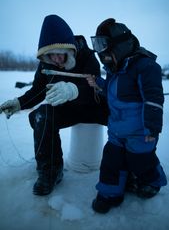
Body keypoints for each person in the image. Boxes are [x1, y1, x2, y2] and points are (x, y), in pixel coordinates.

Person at [0, 14, 109, 196]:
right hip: (68, 110)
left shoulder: (88, 57)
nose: (56, 58)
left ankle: (128, 167)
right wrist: (19, 103)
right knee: (41, 115)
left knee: (125, 117)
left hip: (93, 107)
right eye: (51, 54)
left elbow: (95, 90)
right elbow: (37, 91)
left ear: (69, 48)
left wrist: (74, 90)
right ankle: (50, 171)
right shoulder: (45, 65)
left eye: (60, 53)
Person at [87, 18, 167, 213]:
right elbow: (117, 93)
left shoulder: (145, 66)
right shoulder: (114, 70)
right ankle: (109, 194)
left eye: (103, 44)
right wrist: (99, 84)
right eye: (97, 44)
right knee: (111, 161)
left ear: (120, 45)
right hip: (117, 130)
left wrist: (152, 127)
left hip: (140, 131)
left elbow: (154, 98)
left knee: (140, 161)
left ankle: (153, 181)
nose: (100, 51)